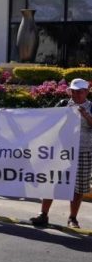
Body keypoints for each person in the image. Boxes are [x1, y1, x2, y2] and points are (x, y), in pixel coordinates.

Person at [31, 78, 92, 229]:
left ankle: (73, 218)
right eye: (74, 91)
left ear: (87, 92)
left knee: (78, 187)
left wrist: (87, 116)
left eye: (80, 92)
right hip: (61, 151)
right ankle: (43, 214)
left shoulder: (91, 107)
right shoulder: (63, 104)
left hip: (83, 151)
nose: (76, 95)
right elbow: (50, 122)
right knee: (52, 182)